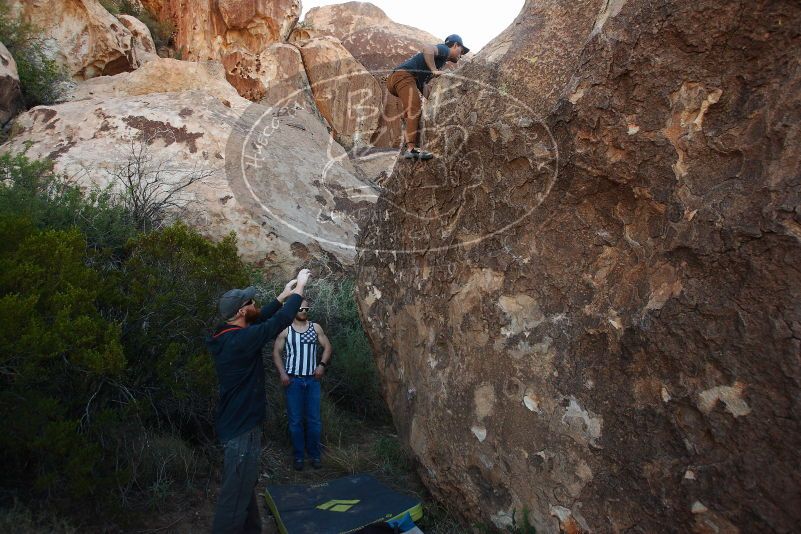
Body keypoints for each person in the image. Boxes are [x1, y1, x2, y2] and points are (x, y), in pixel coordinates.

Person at [207, 268, 311, 534]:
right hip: (241, 429)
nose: (254, 304)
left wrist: (282, 296)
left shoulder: (227, 332)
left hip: (238, 424)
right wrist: (299, 289)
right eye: (250, 302)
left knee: (244, 485)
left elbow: (261, 318)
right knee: (234, 496)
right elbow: (279, 322)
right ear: (241, 311)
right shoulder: (241, 340)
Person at [271, 298, 332, 471]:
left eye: (306, 309)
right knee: (295, 421)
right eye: (300, 309)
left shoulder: (315, 327)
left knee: (314, 420)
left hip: (312, 381)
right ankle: (298, 457)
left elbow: (327, 347)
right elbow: (276, 352)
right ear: (293, 310)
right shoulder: (286, 330)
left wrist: (322, 365)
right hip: (293, 381)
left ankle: (315, 456)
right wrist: (282, 373)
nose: (304, 311)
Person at [387, 34, 470, 161]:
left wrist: (433, 100)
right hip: (404, 76)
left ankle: (407, 143)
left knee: (411, 111)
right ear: (455, 45)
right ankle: (411, 149)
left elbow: (423, 84)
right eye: (461, 50)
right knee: (414, 109)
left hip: (400, 79)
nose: (461, 54)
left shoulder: (440, 61)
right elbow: (427, 48)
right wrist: (433, 70)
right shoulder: (444, 50)